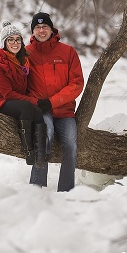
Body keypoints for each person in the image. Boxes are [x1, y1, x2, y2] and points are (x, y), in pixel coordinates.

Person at [26, 12, 84, 192]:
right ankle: (36, 187)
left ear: (52, 29)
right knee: (44, 135)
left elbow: (76, 83)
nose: (41, 30)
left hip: (65, 111)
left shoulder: (67, 52)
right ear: (33, 31)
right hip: (40, 110)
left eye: (45, 27)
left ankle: (66, 191)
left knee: (70, 144)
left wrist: (52, 102)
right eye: (37, 27)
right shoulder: (26, 53)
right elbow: (16, 82)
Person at [0, 21, 48, 168]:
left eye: (17, 39)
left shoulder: (23, 61)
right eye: (10, 40)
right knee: (28, 107)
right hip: (1, 102)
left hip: (16, 101)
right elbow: (8, 94)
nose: (15, 43)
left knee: (37, 112)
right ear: (4, 43)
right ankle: (29, 152)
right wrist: (35, 101)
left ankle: (41, 154)